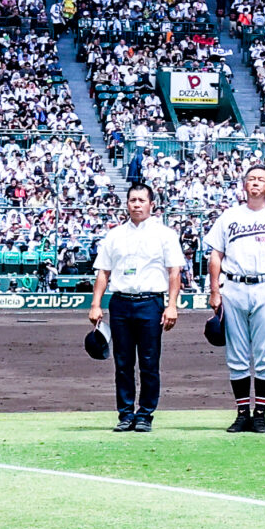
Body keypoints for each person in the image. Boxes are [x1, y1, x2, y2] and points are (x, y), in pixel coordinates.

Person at [203, 163, 265, 434]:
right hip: (233, 286)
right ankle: (242, 412)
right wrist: (214, 290)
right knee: (237, 354)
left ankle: (260, 414)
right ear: (244, 185)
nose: (256, 183)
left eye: (261, 179)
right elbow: (216, 255)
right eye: (251, 179)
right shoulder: (229, 217)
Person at [87, 185, 184, 432]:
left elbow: (174, 272)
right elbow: (103, 272)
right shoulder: (115, 235)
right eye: (132, 200)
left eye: (141, 200)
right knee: (123, 363)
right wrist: (96, 304)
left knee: (149, 363)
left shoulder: (165, 234)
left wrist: (171, 305)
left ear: (151, 204)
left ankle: (146, 414)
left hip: (151, 302)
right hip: (120, 303)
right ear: (127, 204)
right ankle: (126, 414)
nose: (136, 204)